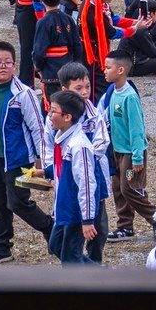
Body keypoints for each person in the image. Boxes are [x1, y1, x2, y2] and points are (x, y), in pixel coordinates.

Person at [0, 41, 53, 266]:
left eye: (7, 63)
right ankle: (2, 249)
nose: (3, 67)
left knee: (17, 202)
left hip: (18, 160)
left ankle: (49, 227)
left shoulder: (24, 94)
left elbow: (37, 128)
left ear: (15, 66)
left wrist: (43, 161)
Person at [45, 88, 108, 265]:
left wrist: (87, 220)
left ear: (67, 117)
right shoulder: (62, 138)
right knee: (56, 245)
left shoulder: (79, 146)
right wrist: (46, 171)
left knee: (70, 258)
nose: (49, 115)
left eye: (53, 111)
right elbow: (64, 171)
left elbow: (87, 184)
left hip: (76, 212)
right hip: (63, 209)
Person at [100, 48, 155, 238]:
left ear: (120, 70)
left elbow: (137, 130)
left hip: (131, 156)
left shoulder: (130, 97)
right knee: (118, 188)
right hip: (117, 152)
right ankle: (125, 227)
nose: (104, 70)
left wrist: (138, 157)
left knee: (129, 187)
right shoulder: (112, 92)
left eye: (108, 67)